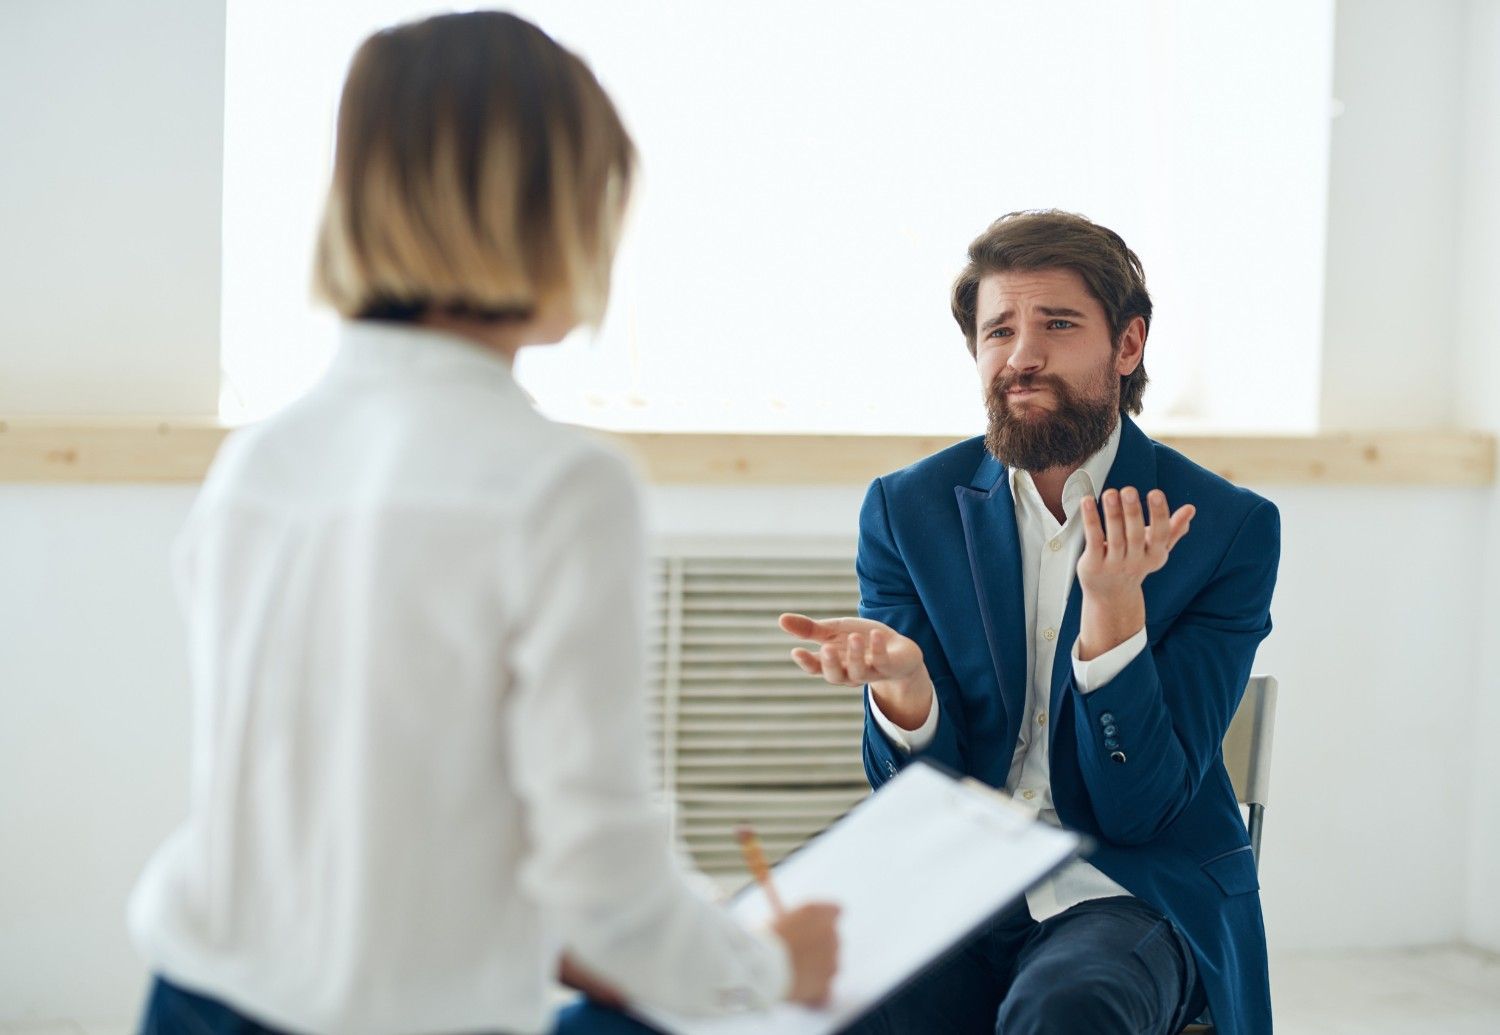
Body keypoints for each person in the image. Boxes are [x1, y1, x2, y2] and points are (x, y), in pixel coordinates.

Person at [126, 12, 838, 1035]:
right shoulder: (563, 487)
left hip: (191, 993)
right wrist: (768, 967)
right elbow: (601, 870)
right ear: (555, 213)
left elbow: (352, 807)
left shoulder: (260, 464)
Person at [779, 210, 1278, 1035]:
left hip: (1128, 884)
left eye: (1058, 325)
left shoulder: (1225, 527)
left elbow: (1142, 808)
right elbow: (911, 800)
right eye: (999, 330)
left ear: (1127, 344)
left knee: (1069, 1009)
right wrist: (907, 691)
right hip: (953, 881)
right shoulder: (907, 510)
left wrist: (1114, 618)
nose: (1021, 356)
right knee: (825, 989)